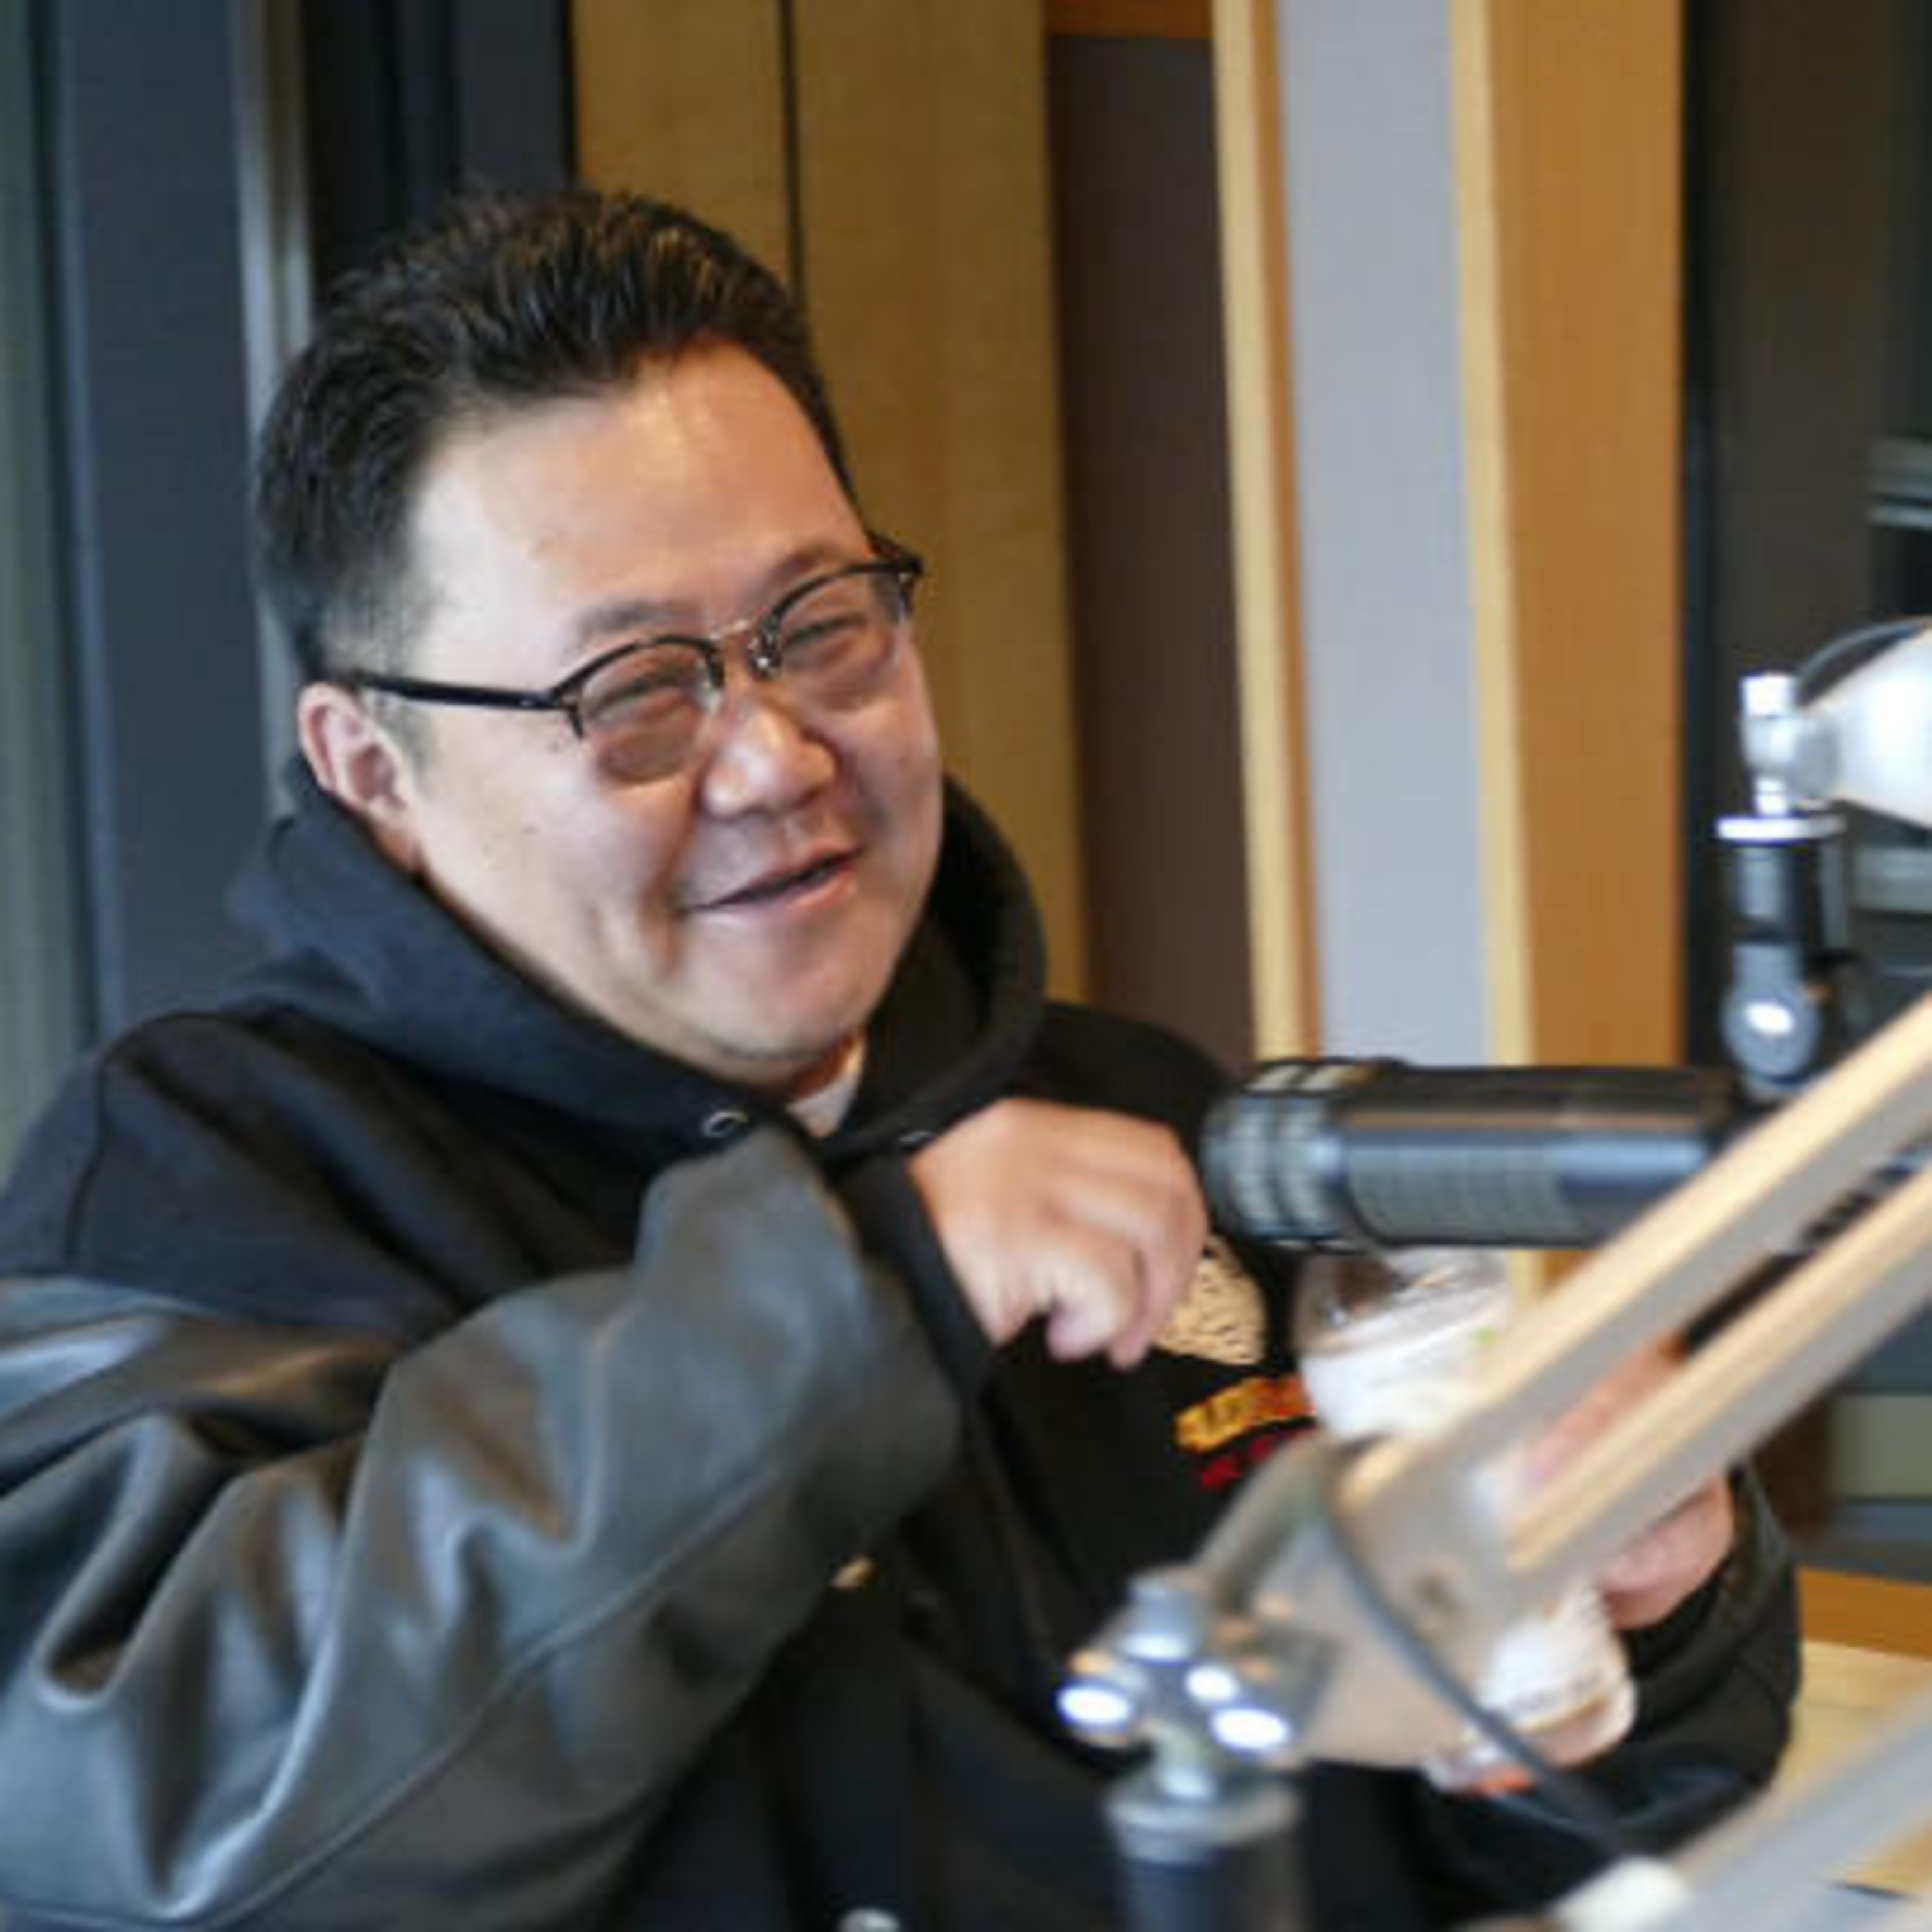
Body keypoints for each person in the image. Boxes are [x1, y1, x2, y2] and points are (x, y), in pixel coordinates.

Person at [0, 188, 1794, 1930]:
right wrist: (863, 1298)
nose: (775, 756)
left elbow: (1474, 1836)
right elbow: (169, 1813)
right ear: (374, 770)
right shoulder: (199, 1183)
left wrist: (1638, 1616)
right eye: (637, 694)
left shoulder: (1130, 1118)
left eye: (823, 628)